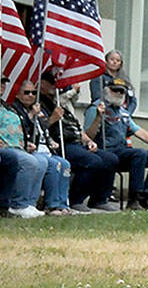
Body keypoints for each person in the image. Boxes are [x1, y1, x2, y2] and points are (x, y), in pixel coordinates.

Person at [83, 77, 148, 209]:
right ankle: (133, 199)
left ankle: (144, 197)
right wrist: (98, 117)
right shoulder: (96, 107)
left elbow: (138, 131)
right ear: (106, 91)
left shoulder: (123, 112)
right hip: (105, 151)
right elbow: (87, 135)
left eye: (122, 92)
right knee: (139, 154)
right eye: (115, 90)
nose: (118, 94)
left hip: (122, 151)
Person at [39, 70, 118, 211]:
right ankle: (76, 199)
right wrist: (52, 119)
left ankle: (99, 199)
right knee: (92, 161)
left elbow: (76, 129)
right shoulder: (39, 103)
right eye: (52, 82)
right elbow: (38, 128)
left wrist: (89, 141)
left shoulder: (59, 103)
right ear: (42, 83)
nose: (55, 85)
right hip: (60, 143)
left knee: (110, 159)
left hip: (77, 142)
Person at [13, 79, 74, 214]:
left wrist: (50, 140)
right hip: (32, 149)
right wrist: (31, 115)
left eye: (34, 93)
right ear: (17, 94)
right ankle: (51, 204)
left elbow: (44, 129)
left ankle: (62, 203)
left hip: (45, 148)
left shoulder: (39, 109)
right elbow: (22, 130)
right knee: (52, 164)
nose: (31, 95)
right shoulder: (17, 109)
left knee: (64, 164)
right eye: (26, 92)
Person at [1, 76, 46, 218]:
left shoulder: (6, 106)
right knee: (29, 161)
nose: (2, 85)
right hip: (5, 148)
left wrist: (26, 145)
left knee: (42, 162)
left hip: (17, 147)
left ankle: (29, 203)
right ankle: (17, 204)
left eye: (3, 83)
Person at [89, 50, 137, 116]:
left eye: (118, 60)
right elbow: (97, 97)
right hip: (103, 113)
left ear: (121, 63)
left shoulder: (125, 79)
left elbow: (132, 99)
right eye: (112, 59)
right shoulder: (99, 76)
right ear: (106, 61)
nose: (114, 62)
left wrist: (127, 113)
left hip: (122, 115)